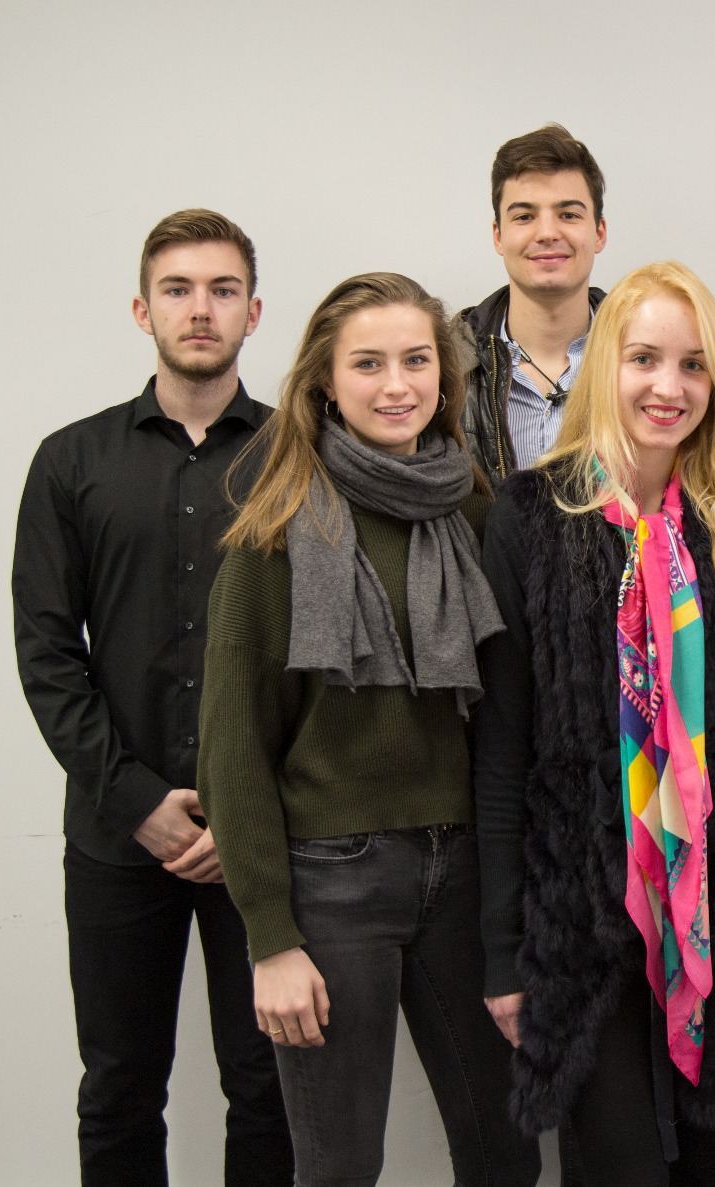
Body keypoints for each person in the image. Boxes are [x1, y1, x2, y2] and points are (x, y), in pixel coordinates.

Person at [474, 261, 715, 1186]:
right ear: (605, 368)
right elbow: (501, 752)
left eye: (693, 366)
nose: (668, 388)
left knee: (707, 1160)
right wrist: (502, 950)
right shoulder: (528, 519)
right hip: (582, 914)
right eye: (644, 359)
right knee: (617, 1164)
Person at [195, 273, 541, 1187]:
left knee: (505, 1152)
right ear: (324, 383)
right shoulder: (273, 536)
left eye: (417, 360)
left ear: (445, 376)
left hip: (461, 871)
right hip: (331, 883)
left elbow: (509, 717)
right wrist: (270, 938)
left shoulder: (473, 513)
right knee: (341, 1165)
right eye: (369, 363)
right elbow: (231, 757)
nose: (397, 384)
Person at [12, 208, 292, 1185]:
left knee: (271, 1086)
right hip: (114, 838)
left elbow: (323, 658)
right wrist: (138, 802)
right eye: (178, 289)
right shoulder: (70, 462)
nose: (200, 308)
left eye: (221, 289)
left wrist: (249, 808)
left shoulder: (297, 461)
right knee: (121, 1083)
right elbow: (47, 653)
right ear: (142, 308)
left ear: (254, 310)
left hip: (264, 835)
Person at [456, 123, 609, 488]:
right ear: (498, 235)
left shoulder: (645, 358)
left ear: (599, 232)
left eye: (569, 214)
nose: (547, 233)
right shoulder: (447, 363)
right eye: (524, 216)